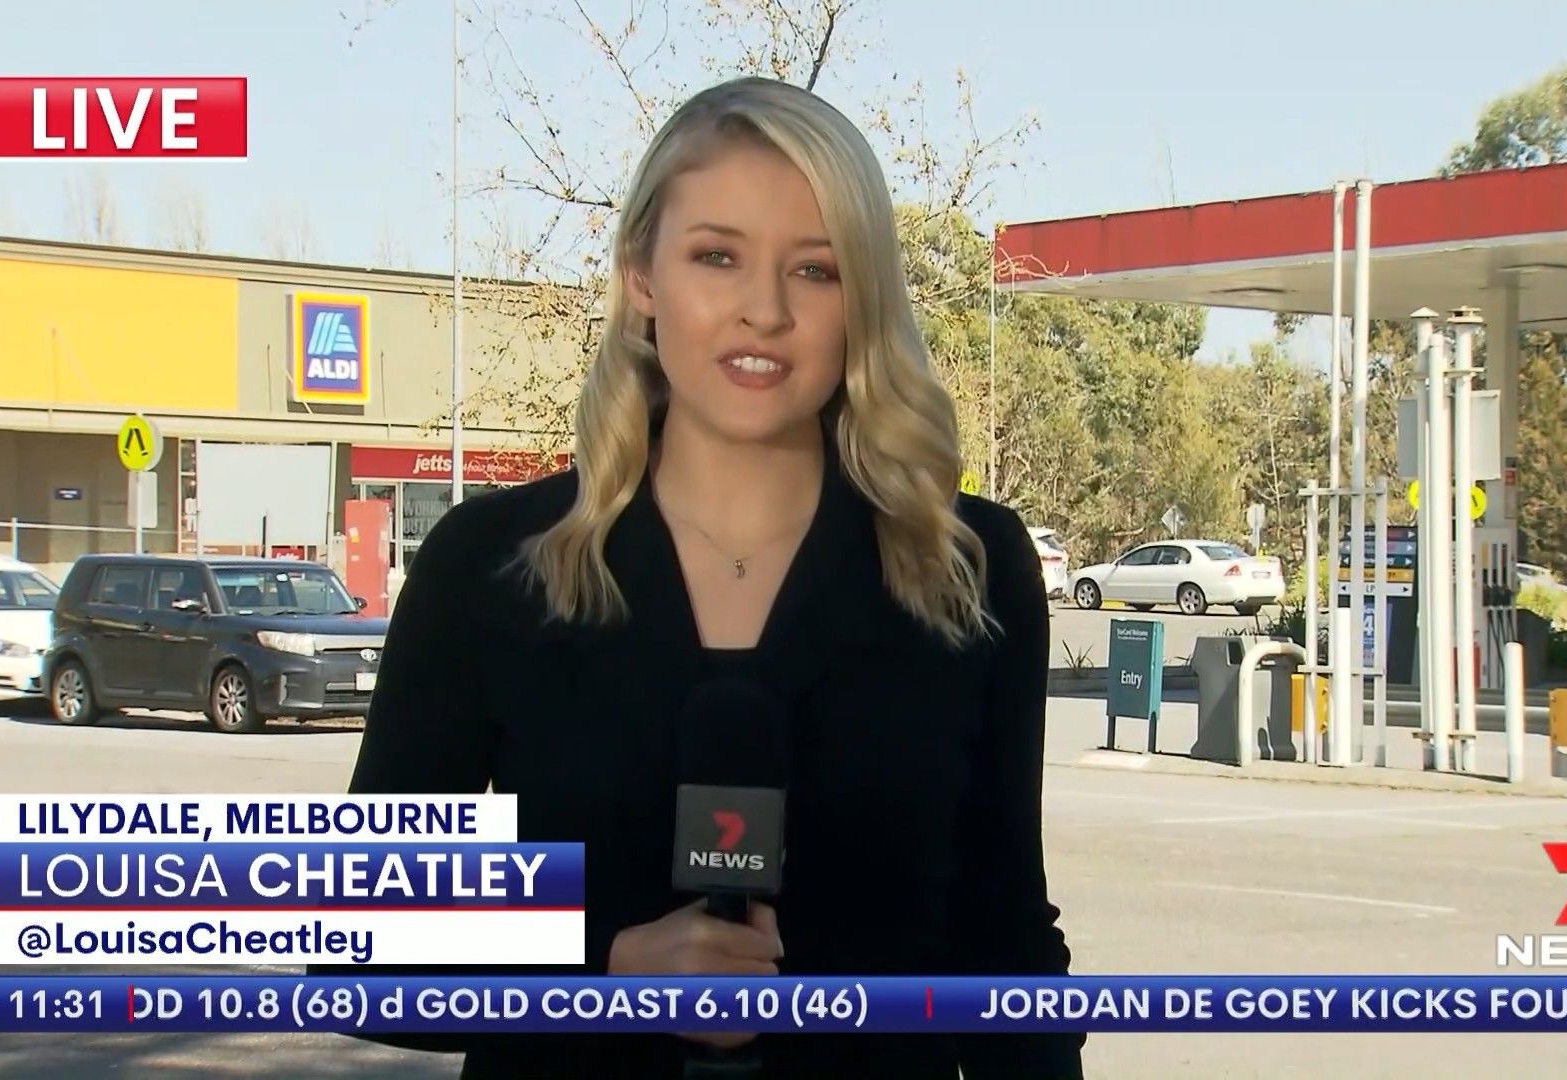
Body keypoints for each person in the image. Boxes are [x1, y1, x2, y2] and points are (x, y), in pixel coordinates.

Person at [341, 75, 1081, 1079]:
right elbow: (365, 940)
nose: (763, 311)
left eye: (814, 270)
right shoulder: (488, 567)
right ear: (641, 274)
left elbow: (1006, 942)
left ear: (861, 299)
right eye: (717, 257)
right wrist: (599, 967)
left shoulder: (970, 573)